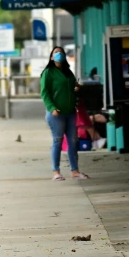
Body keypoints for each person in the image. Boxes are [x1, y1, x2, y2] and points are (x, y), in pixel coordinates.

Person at [41, 46, 88, 181]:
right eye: (56, 52)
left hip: (70, 112)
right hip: (56, 114)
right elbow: (44, 93)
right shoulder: (48, 72)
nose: (59, 54)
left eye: (61, 52)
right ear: (51, 57)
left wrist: (76, 88)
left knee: (73, 141)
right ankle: (56, 171)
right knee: (58, 140)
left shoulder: (68, 72)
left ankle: (75, 170)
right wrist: (52, 108)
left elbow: (73, 85)